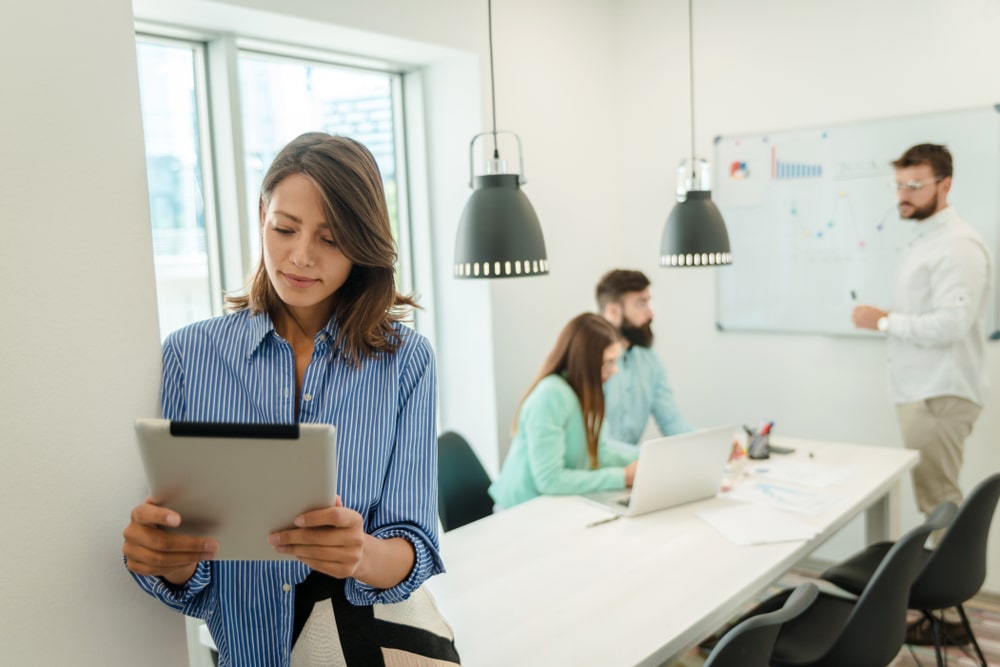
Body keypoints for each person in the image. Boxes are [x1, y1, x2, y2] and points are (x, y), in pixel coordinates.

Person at [122, 133, 460, 666]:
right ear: (262, 215)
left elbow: (414, 549)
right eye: (284, 229)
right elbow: (195, 572)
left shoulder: (406, 361)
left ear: (362, 245)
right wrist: (169, 559)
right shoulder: (190, 356)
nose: (300, 257)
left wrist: (361, 554)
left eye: (330, 239)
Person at [851, 143, 990, 643]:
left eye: (915, 185)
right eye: (900, 185)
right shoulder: (927, 239)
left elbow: (952, 324)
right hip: (922, 390)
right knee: (936, 499)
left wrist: (883, 321)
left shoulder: (957, 245)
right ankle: (944, 609)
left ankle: (949, 618)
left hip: (940, 393)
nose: (904, 196)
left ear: (944, 184)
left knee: (940, 502)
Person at [488, 313, 639, 509]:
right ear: (585, 362)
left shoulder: (584, 392)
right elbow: (550, 480)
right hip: (521, 512)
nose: (615, 370)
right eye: (608, 362)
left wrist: (643, 459)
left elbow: (597, 452)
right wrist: (622, 477)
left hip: (553, 506)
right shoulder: (550, 396)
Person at [595, 269, 695, 446]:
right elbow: (597, 444)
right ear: (612, 311)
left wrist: (708, 444)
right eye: (641, 304)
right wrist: (645, 460)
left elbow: (671, 421)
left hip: (633, 468)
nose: (650, 314)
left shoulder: (650, 362)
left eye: (648, 303)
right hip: (596, 471)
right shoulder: (588, 362)